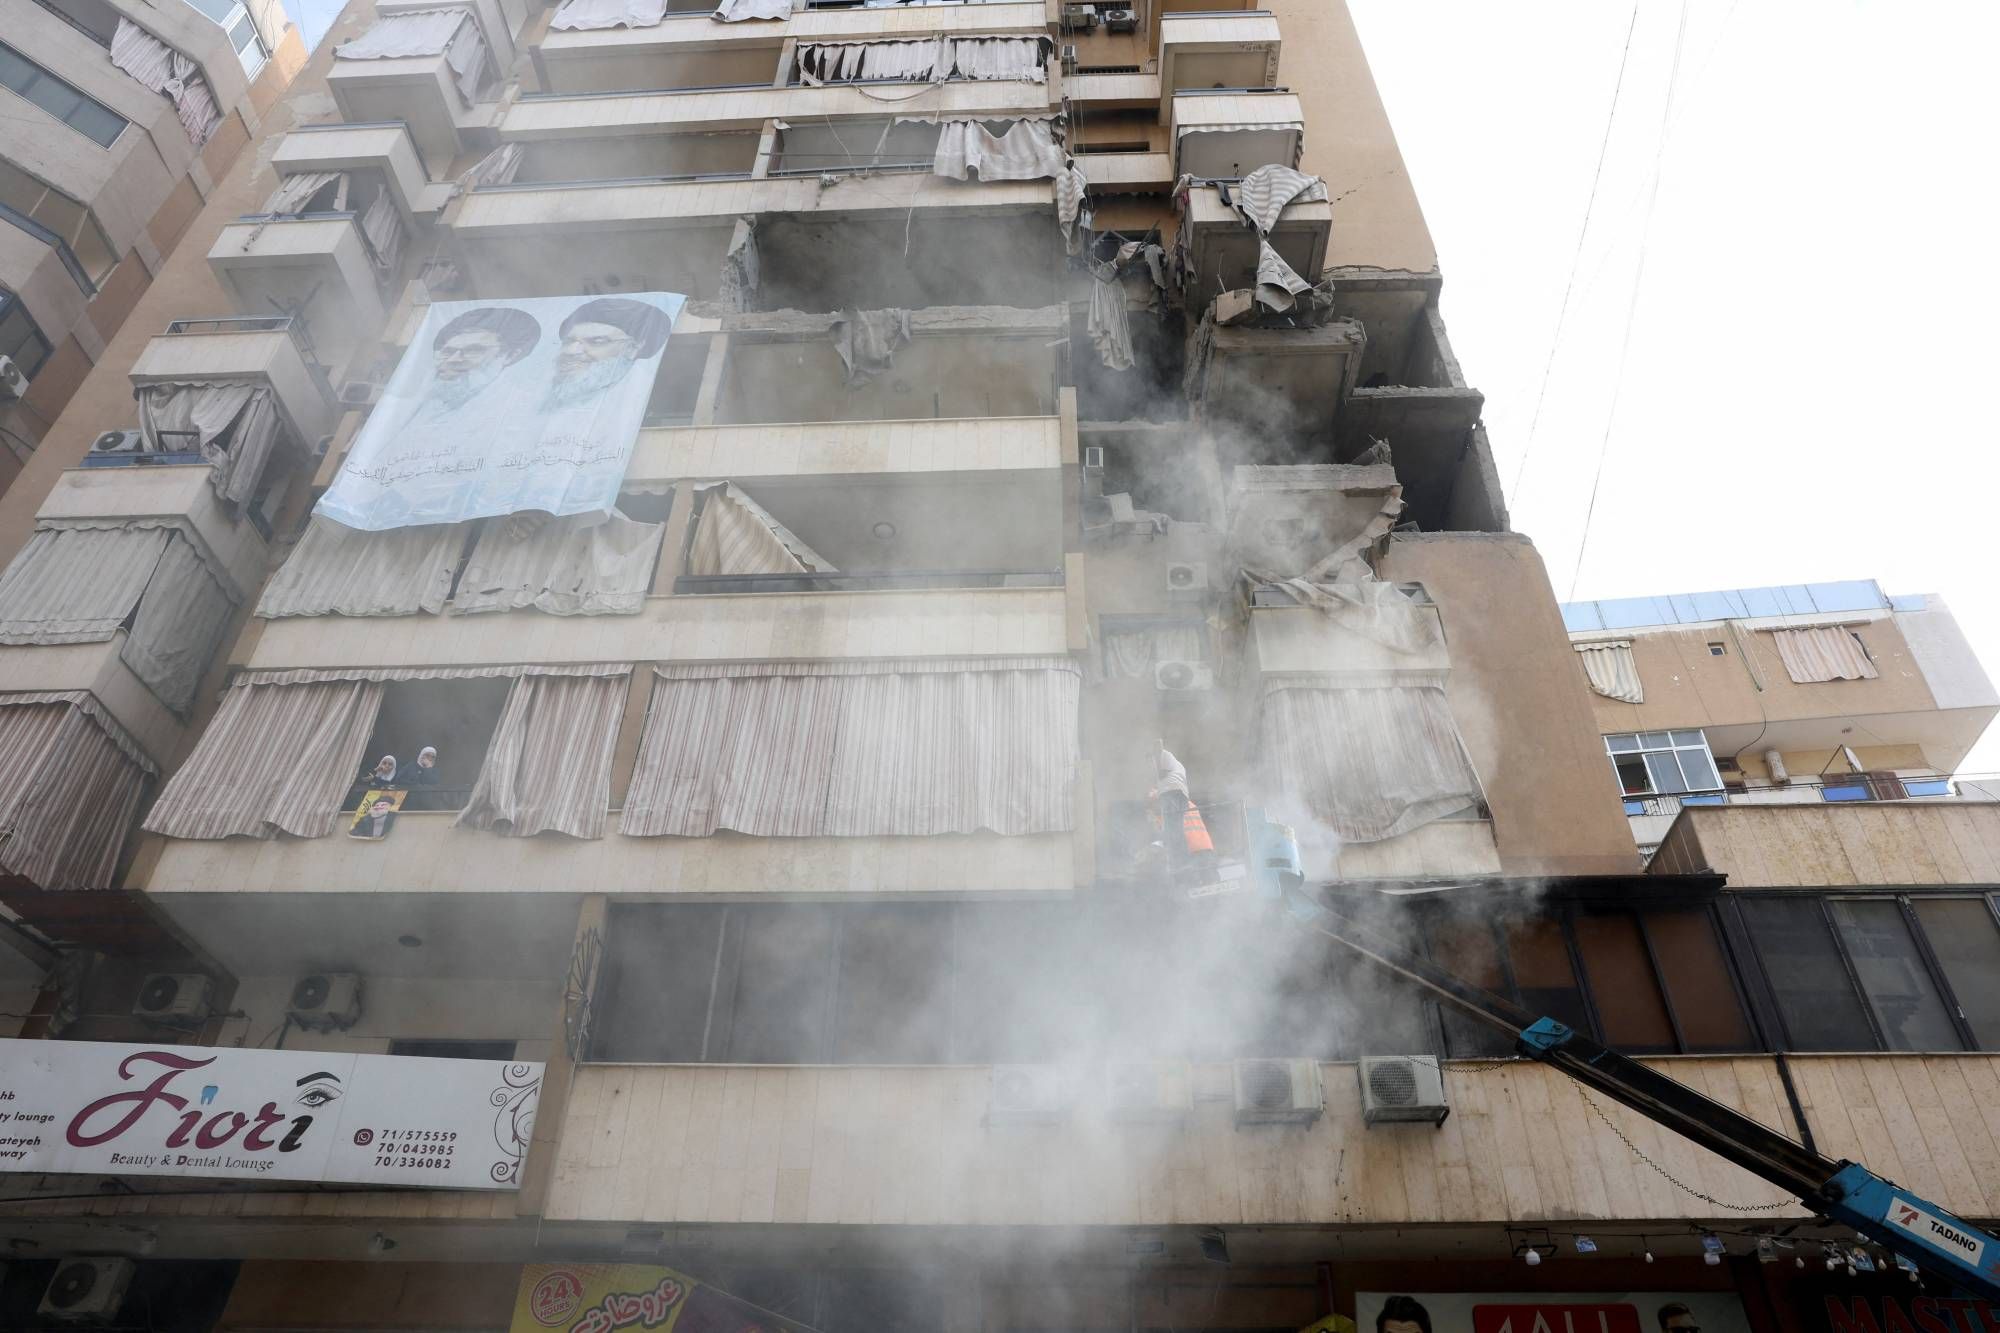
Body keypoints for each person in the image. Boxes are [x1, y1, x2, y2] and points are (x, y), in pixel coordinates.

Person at [541, 297, 672, 412]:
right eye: (568, 341)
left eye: (597, 342)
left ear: (632, 348)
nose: (571, 351)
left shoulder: (637, 400)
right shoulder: (538, 399)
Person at [413, 306, 542, 421]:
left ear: (509, 356)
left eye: (472, 351)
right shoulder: (415, 408)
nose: (453, 359)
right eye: (448, 352)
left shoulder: (521, 407)